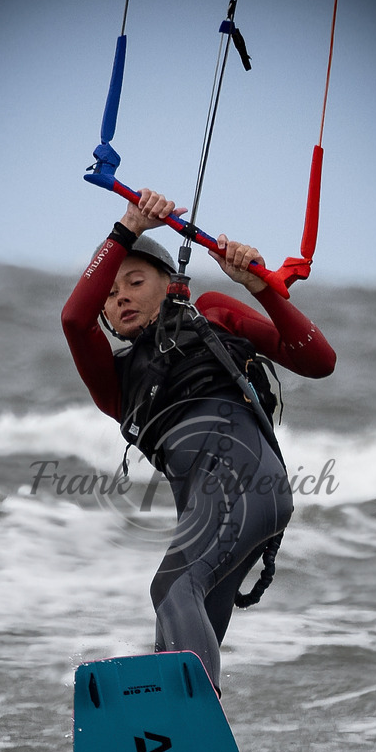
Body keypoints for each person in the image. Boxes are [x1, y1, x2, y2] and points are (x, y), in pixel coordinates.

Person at [62, 189, 336, 694]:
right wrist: (128, 226)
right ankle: (182, 751)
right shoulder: (115, 384)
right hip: (214, 508)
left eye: (135, 281)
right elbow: (73, 321)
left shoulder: (210, 312)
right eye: (110, 292)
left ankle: (190, 728)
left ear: (171, 287)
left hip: (247, 482)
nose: (119, 296)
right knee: (177, 632)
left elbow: (319, 361)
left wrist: (262, 288)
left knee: (171, 588)